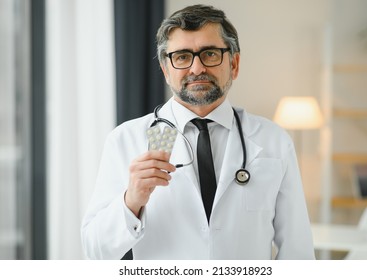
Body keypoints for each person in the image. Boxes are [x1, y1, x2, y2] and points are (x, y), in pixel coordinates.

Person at [81, 4, 315, 260]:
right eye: (182, 57)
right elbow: (95, 251)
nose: (196, 69)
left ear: (234, 64)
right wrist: (131, 201)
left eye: (210, 54)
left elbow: (297, 250)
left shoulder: (273, 141)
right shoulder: (125, 140)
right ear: (165, 70)